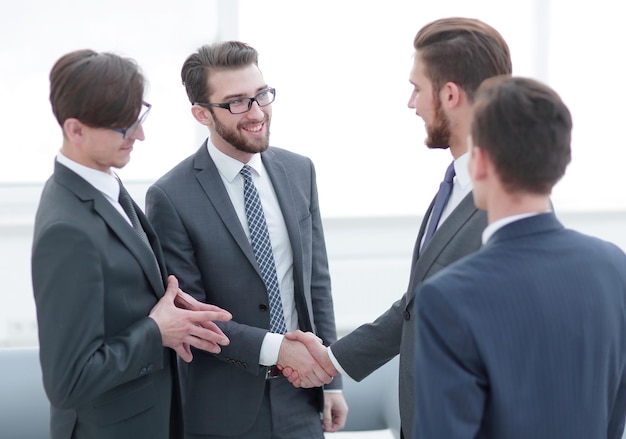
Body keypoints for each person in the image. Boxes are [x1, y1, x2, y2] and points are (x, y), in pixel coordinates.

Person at [283, 17, 512, 438]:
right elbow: (418, 303)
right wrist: (332, 360)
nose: (412, 103)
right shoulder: (455, 185)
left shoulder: (509, 200)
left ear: (449, 94)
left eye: (417, 88)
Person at [145, 41, 347, 439]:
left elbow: (315, 282)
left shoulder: (298, 170)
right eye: (236, 102)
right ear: (202, 114)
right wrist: (277, 350)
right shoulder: (170, 196)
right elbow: (194, 317)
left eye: (261, 95)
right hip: (223, 406)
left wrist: (332, 380)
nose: (257, 113)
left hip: (302, 394)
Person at [31, 49, 233, 439]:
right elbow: (68, 381)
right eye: (125, 127)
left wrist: (174, 309)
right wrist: (157, 331)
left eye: (139, 117)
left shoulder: (103, 183)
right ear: (76, 130)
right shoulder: (66, 230)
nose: (140, 135)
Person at [413, 75, 626, 438]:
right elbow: (613, 418)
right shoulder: (614, 266)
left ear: (479, 162)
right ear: (561, 160)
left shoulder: (447, 298)